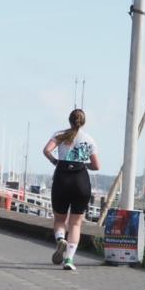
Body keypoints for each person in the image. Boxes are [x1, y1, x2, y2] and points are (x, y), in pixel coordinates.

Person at [42, 109, 100, 271]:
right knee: (75, 223)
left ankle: (60, 238)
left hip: (62, 177)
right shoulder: (89, 140)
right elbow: (96, 165)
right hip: (81, 180)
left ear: (69, 120)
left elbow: (46, 150)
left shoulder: (60, 135)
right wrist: (83, 164)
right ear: (83, 122)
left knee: (60, 220)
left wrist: (56, 161)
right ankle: (69, 259)